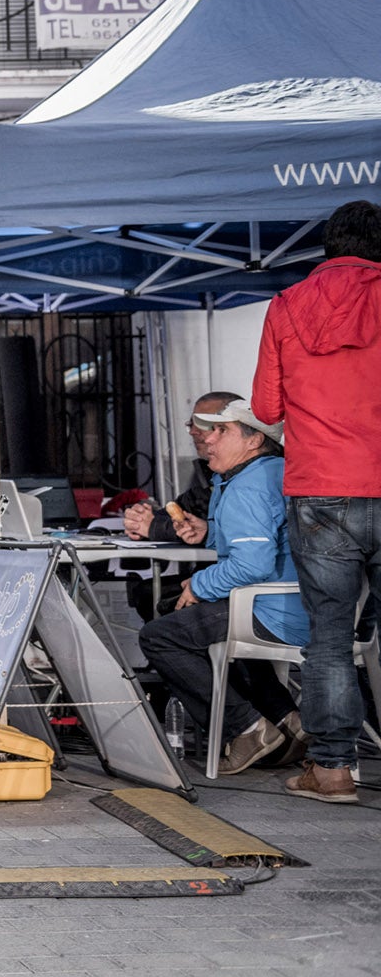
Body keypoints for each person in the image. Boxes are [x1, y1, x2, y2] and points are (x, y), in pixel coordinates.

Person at [253, 199, 381, 804]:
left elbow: (266, 410)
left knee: (329, 636)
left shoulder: (286, 306)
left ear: (328, 247)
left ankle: (332, 772)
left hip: (320, 488)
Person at [137, 399, 304, 775]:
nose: (207, 438)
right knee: (196, 622)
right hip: (299, 603)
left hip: (273, 610)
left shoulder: (248, 486)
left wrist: (198, 584)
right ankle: (288, 721)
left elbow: (252, 563)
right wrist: (209, 531)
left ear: (254, 440)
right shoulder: (271, 472)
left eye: (221, 430)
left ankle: (245, 729)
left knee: (159, 636)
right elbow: (266, 539)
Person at [121, 391, 239, 542]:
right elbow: (185, 515)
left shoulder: (260, 475)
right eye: (191, 424)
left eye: (203, 423)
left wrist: (154, 527)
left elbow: (236, 533)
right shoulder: (209, 474)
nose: (193, 432)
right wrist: (139, 521)